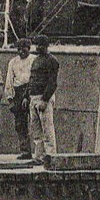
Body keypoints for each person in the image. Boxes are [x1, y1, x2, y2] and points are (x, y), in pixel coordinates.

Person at [27, 33, 60, 164]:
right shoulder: (36, 60)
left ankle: (51, 157)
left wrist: (45, 100)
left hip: (43, 98)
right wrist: (27, 97)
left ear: (46, 46)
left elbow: (52, 82)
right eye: (37, 45)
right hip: (33, 97)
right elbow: (31, 79)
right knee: (36, 130)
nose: (38, 47)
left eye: (41, 45)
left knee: (47, 129)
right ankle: (39, 156)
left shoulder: (52, 60)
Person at [5, 39, 35, 160]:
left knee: (35, 122)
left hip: (31, 90)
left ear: (29, 48)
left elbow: (34, 78)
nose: (21, 51)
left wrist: (27, 96)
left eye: (24, 48)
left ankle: (40, 153)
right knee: (20, 124)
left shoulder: (34, 60)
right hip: (18, 92)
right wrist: (10, 99)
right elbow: (9, 80)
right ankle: (25, 150)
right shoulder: (13, 62)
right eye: (19, 49)